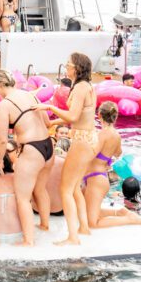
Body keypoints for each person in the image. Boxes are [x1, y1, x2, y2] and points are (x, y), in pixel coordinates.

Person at [37, 52, 97, 246]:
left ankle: (73, 237)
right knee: (75, 187)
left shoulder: (80, 88)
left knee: (65, 190)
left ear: (77, 68)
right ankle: (83, 228)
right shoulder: (85, 86)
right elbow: (78, 116)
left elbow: (72, 117)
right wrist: (52, 122)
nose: (66, 67)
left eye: (68, 64)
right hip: (87, 137)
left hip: (81, 139)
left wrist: (49, 108)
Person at [0, 69, 54, 247]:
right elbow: (48, 123)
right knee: (40, 189)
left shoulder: (4, 105)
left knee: (23, 197)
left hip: (32, 149)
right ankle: (44, 225)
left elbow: (2, 139)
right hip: (47, 145)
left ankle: (28, 240)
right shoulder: (30, 95)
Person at [83, 102, 141, 229]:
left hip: (96, 179)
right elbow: (118, 153)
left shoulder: (102, 134)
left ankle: (131, 220)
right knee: (86, 212)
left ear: (99, 115)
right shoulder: (116, 135)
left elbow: (91, 154)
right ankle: (120, 212)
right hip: (99, 177)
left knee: (93, 223)